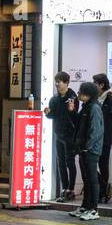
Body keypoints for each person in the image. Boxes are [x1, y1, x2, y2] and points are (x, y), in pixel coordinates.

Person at [44, 71, 79, 202]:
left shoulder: (73, 97)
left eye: (59, 82)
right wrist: (47, 113)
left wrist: (71, 110)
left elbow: (74, 116)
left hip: (70, 136)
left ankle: (71, 189)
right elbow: (54, 115)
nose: (57, 84)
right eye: (56, 81)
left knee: (70, 162)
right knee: (61, 162)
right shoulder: (54, 99)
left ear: (66, 83)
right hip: (58, 134)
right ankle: (64, 188)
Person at [72, 81, 104, 221]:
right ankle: (85, 206)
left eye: (81, 92)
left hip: (91, 150)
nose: (78, 94)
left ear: (88, 94)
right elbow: (79, 123)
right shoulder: (86, 106)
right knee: (86, 179)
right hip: (84, 149)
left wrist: (87, 146)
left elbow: (95, 131)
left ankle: (94, 209)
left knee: (92, 179)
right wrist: (72, 111)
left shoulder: (94, 108)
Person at [92, 73, 112, 205]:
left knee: (103, 165)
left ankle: (103, 192)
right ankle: (103, 188)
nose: (93, 85)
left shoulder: (110, 98)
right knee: (90, 165)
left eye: (95, 83)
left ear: (101, 85)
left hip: (105, 138)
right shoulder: (97, 98)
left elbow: (110, 119)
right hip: (96, 137)